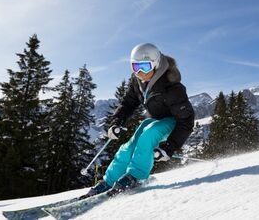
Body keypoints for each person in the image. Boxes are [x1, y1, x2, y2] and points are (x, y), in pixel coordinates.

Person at [82, 43, 195, 198]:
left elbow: (187, 121)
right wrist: (117, 121)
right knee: (130, 146)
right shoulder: (138, 82)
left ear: (155, 64)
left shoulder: (172, 87)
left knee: (149, 134)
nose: (140, 72)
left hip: (175, 121)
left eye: (145, 67)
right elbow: (128, 103)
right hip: (155, 119)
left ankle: (136, 176)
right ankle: (109, 181)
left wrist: (170, 147)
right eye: (136, 67)